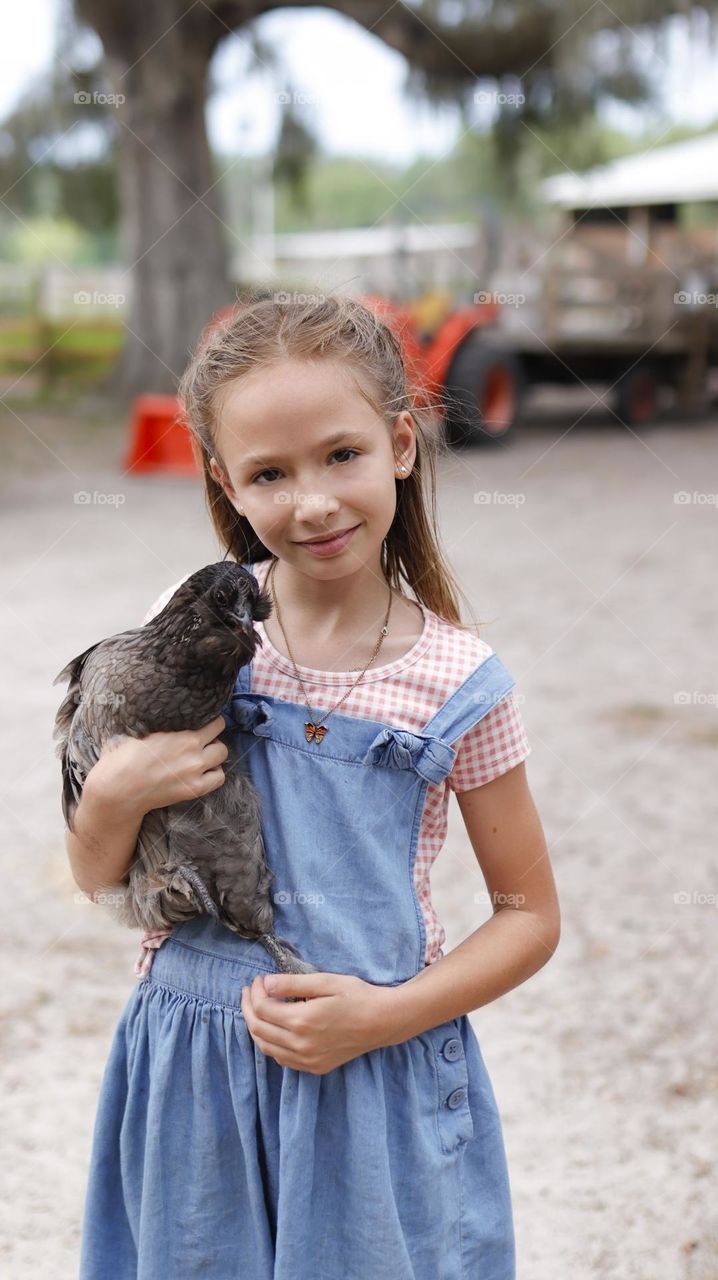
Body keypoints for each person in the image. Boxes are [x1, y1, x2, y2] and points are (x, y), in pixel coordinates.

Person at [68, 291, 560, 1279]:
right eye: (269, 472)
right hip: (192, 1068)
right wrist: (116, 794)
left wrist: (383, 1013)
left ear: (401, 444)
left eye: (342, 455)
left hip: (368, 1074)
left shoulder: (457, 680)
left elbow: (528, 914)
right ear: (225, 481)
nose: (314, 500)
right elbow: (99, 877)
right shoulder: (186, 624)